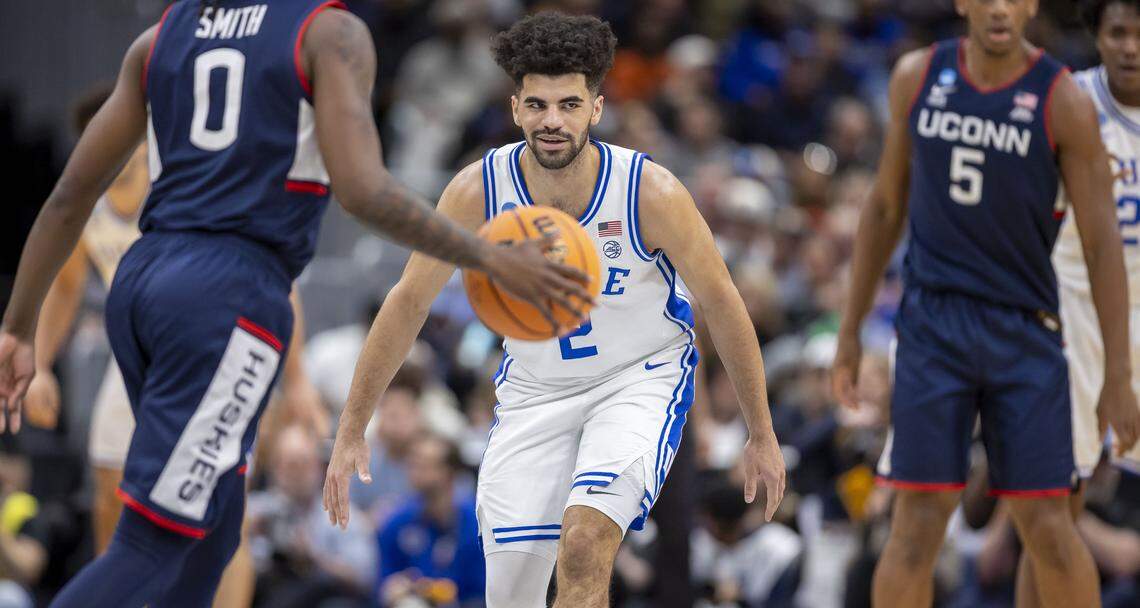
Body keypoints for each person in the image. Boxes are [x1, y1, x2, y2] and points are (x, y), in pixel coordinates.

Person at [0, 0, 590, 605]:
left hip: (143, 279)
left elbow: (70, 195)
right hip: (229, 294)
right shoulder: (328, 33)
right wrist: (490, 256)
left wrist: (17, 329)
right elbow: (363, 192)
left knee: (218, 519)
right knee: (151, 543)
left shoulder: (158, 40)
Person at [324, 12, 786, 608]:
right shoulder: (476, 191)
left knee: (586, 540)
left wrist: (762, 431)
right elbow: (408, 300)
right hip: (535, 392)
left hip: (637, 379)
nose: (552, 120)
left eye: (569, 104)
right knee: (511, 593)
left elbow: (722, 303)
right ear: (515, 108)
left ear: (595, 108)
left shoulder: (650, 192)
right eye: (538, 105)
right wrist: (351, 426)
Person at [831, 1, 1140, 607]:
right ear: (962, 2)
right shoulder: (917, 76)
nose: (999, 7)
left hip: (1025, 328)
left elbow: (1103, 246)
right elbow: (885, 208)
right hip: (933, 325)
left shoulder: (1062, 99)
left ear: (1031, 5)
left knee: (1051, 524)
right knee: (915, 522)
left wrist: (1118, 375)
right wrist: (850, 331)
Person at [24, 86, 327, 608]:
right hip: (145, 351)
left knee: (221, 511)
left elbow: (273, 280)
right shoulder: (87, 198)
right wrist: (41, 363)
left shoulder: (180, 182)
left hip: (218, 347)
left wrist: (297, 380)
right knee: (112, 496)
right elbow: (67, 287)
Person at [247, 425, 374, 607]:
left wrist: (313, 557)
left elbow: (363, 577)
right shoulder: (255, 512)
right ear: (276, 469)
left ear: (319, 466)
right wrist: (245, 536)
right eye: (290, 465)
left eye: (304, 464)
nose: (297, 474)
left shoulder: (342, 515)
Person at [376, 434, 484, 607]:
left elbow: (482, 589)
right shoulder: (396, 523)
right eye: (412, 463)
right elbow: (383, 583)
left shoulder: (475, 524)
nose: (414, 470)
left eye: (424, 464)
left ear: (449, 472)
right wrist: (394, 588)